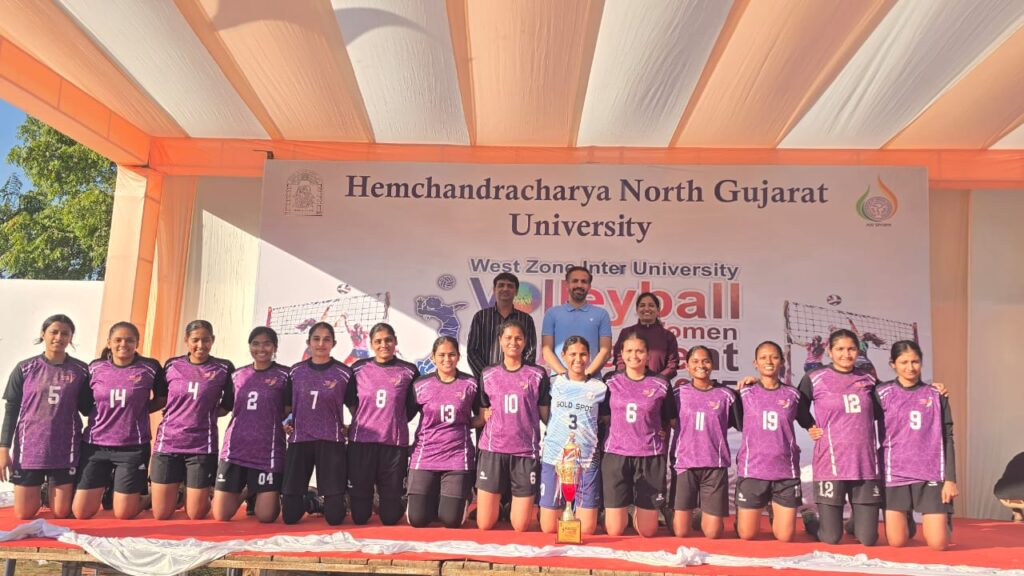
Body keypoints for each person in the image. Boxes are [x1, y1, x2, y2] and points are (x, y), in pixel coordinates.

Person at [73, 322, 168, 520]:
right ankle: (111, 489)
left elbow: (162, 398)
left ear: (137, 343)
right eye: (118, 340)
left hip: (132, 447)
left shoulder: (150, 367)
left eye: (129, 340)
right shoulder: (95, 367)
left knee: (124, 513)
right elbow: (84, 404)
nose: (123, 344)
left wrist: (138, 410)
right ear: (109, 343)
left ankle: (149, 498)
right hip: (96, 445)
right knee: (81, 512)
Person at [0, 315, 90, 519]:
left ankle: (51, 491)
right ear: (43, 334)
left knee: (61, 512)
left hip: (65, 446)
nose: (59, 337)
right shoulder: (25, 368)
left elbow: (88, 408)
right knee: (24, 514)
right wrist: (3, 448)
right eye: (54, 332)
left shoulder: (81, 370)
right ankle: (40, 491)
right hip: (30, 446)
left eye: (65, 333)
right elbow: (11, 409)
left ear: (71, 337)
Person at [798, 329, 882, 545]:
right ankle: (811, 519)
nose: (846, 354)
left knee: (868, 539)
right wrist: (809, 425)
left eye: (851, 349)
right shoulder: (815, 378)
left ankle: (855, 523)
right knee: (831, 538)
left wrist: (932, 389)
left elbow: (892, 400)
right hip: (831, 463)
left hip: (864, 464)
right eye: (840, 349)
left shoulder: (868, 379)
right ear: (830, 351)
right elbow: (797, 406)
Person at [876, 340, 957, 550]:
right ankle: (907, 518)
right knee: (897, 542)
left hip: (930, 474)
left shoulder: (936, 394)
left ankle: (944, 518)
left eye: (915, 362)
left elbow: (948, 436)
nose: (910, 367)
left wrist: (950, 479)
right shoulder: (882, 393)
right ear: (893, 364)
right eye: (903, 362)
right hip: (896, 473)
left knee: (938, 544)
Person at [150, 320, 235, 520]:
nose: (200, 345)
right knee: (161, 514)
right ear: (186, 340)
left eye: (206, 340)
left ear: (213, 340)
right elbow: (162, 399)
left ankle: (201, 495)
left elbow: (227, 405)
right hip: (168, 442)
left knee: (196, 514)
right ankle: (177, 493)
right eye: (195, 340)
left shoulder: (223, 368)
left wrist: (201, 414)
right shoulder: (172, 365)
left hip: (201, 445)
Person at [734, 341, 817, 542]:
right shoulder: (744, 392)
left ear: (781, 362)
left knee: (785, 537)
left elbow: (808, 423)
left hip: (785, 472)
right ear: (755, 363)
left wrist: (816, 430)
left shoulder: (793, 395)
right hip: (753, 470)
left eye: (774, 357)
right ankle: (744, 515)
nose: (769, 361)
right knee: (747, 535)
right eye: (763, 357)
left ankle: (790, 513)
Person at [476, 320, 550, 532]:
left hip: (524, 452)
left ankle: (509, 506)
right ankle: (497, 505)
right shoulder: (488, 374)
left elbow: (546, 415)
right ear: (500, 340)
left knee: (521, 526)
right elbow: (482, 413)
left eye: (518, 338)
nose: (513, 342)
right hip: (493, 451)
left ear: (525, 342)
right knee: (485, 524)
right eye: (508, 338)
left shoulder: (537, 374)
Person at [212, 327, 292, 523]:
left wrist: (288, 423)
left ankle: (260, 491)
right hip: (236, 448)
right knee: (221, 515)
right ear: (250, 346)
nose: (261, 349)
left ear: (275, 347)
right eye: (255, 344)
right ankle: (249, 490)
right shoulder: (237, 375)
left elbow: (290, 410)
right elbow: (225, 407)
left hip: (267, 450)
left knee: (266, 516)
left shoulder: (285, 375)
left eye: (267, 344)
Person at [601, 332, 677, 537]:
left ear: (648, 354)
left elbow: (670, 419)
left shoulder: (661, 383)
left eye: (639, 351)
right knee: (615, 530)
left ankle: (640, 511)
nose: (634, 355)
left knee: (648, 531)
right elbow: (604, 415)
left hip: (649, 456)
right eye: (629, 351)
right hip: (616, 454)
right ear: (621, 354)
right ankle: (616, 511)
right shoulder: (610, 380)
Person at [346, 323, 420, 525]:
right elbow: (350, 401)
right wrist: (364, 419)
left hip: (393, 444)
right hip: (362, 443)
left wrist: (393, 420)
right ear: (371, 344)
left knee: (390, 518)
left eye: (388, 340)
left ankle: (394, 501)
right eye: (378, 341)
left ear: (395, 341)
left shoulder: (409, 371)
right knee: (360, 517)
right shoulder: (358, 368)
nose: (383, 345)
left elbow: (412, 406)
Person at [407, 337, 483, 528]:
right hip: (425, 455)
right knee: (418, 520)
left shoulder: (470, 384)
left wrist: (463, 423)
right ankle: (431, 499)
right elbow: (404, 415)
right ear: (433, 357)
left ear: (458, 356)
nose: (447, 359)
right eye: (441, 355)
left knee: (450, 520)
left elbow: (481, 417)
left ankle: (461, 498)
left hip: (456, 457)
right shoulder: (420, 384)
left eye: (451, 354)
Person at [281, 322, 353, 526]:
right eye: (316, 339)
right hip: (300, 438)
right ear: (308, 342)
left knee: (335, 518)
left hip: (330, 440)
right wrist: (284, 423)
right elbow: (285, 407)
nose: (321, 344)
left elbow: (355, 407)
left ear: (333, 343)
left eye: (326, 339)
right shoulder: (296, 371)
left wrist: (352, 426)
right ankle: (311, 498)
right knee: (290, 517)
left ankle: (329, 500)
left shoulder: (344, 373)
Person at [538, 336, 607, 535]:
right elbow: (544, 413)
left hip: (586, 458)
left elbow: (606, 419)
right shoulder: (553, 383)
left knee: (587, 529)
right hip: (555, 456)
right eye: (573, 354)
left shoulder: (600, 387)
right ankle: (552, 509)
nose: (578, 359)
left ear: (589, 356)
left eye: (583, 354)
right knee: (549, 528)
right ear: (563, 356)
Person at [671, 346, 740, 539]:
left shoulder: (726, 395)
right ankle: (686, 513)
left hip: (714, 465)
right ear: (687, 366)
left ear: (712, 364)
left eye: (705, 361)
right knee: (681, 532)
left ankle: (703, 514)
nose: (701, 365)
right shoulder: (678, 394)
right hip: (685, 463)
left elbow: (743, 422)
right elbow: (666, 420)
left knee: (713, 533)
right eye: (695, 361)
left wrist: (751, 385)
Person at [541, 266, 612, 378]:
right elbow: (546, 350)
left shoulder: (601, 314)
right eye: (575, 281)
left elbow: (605, 351)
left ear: (589, 286)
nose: (579, 285)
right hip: (559, 381)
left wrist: (586, 375)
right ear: (567, 284)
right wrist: (564, 375)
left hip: (591, 381)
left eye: (584, 282)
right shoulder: (552, 313)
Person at [467, 273, 537, 378]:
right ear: (494, 290)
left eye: (510, 286)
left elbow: (530, 351)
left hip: (517, 381)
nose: (505, 288)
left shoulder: (526, 319)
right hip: (486, 382)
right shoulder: (481, 317)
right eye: (501, 285)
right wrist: (487, 376)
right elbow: (472, 351)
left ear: (516, 291)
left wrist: (518, 375)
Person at [612, 292, 679, 380]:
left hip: (658, 385)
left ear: (658, 310)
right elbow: (619, 359)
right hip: (629, 384)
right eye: (642, 305)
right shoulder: (626, 333)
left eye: (651, 305)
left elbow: (672, 365)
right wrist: (627, 378)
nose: (646, 309)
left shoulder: (668, 336)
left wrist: (658, 380)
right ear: (637, 310)